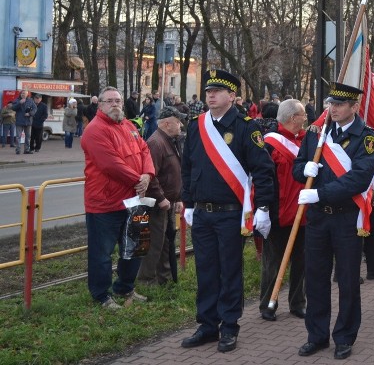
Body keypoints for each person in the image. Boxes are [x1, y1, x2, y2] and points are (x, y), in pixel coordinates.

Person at [180, 69, 275, 353]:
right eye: (208, 91)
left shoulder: (247, 127)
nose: (210, 95)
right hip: (203, 213)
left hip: (232, 213)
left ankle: (229, 327)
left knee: (230, 271)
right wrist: (187, 203)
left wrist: (263, 208)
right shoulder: (197, 126)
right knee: (206, 270)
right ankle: (208, 325)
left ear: (232, 96)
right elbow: (188, 168)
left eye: (217, 91)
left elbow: (263, 170)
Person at [292, 82, 374, 361]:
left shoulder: (366, 138)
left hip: (346, 218)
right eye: (331, 104)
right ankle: (316, 336)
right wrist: (302, 170)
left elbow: (358, 179)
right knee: (316, 279)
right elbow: (298, 167)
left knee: (347, 280)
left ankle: (344, 336)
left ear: (354, 107)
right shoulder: (316, 134)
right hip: (318, 220)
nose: (334, 109)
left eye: (340, 105)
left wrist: (319, 193)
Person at [81, 86, 155, 309]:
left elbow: (144, 150)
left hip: (133, 199)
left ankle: (125, 287)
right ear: (100, 105)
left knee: (134, 248)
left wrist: (148, 175)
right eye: (110, 101)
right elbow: (110, 164)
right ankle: (101, 295)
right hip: (105, 203)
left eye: (118, 100)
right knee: (102, 253)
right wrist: (138, 180)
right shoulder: (94, 130)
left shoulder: (129, 125)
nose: (115, 104)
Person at [258, 98, 308, 322]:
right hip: (277, 213)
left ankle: (298, 303)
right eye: (302, 115)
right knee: (273, 262)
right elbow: (261, 179)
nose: (305, 119)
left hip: (302, 213)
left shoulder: (306, 142)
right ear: (292, 118)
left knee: (301, 261)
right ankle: (268, 304)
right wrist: (263, 209)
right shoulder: (269, 143)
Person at [137, 106, 185, 286]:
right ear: (167, 123)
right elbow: (151, 175)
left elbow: (175, 172)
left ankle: (163, 279)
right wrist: (161, 198)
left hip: (169, 202)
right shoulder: (156, 143)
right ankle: (146, 281)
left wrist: (178, 198)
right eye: (178, 121)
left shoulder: (169, 140)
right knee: (154, 244)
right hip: (159, 204)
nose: (180, 125)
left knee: (165, 243)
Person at [11, 90, 36, 154]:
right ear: (20, 94)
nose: (23, 94)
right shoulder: (17, 100)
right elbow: (13, 108)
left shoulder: (30, 100)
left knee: (28, 137)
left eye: (24, 93)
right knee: (18, 136)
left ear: (27, 94)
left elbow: (35, 109)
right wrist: (20, 103)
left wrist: (30, 113)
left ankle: (26, 150)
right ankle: (18, 150)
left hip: (28, 121)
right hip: (19, 121)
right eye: (22, 93)